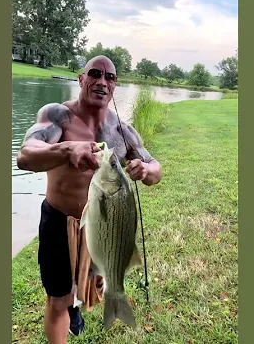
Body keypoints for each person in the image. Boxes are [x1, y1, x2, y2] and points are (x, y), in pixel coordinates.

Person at [16, 55, 162, 343]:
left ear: (114, 86)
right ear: (81, 79)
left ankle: (77, 304)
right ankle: (68, 307)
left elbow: (156, 170)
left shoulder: (123, 131)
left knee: (91, 284)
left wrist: (144, 169)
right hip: (60, 221)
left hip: (103, 227)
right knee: (58, 299)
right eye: (94, 73)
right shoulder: (58, 115)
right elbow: (26, 155)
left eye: (109, 77)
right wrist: (67, 149)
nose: (101, 81)